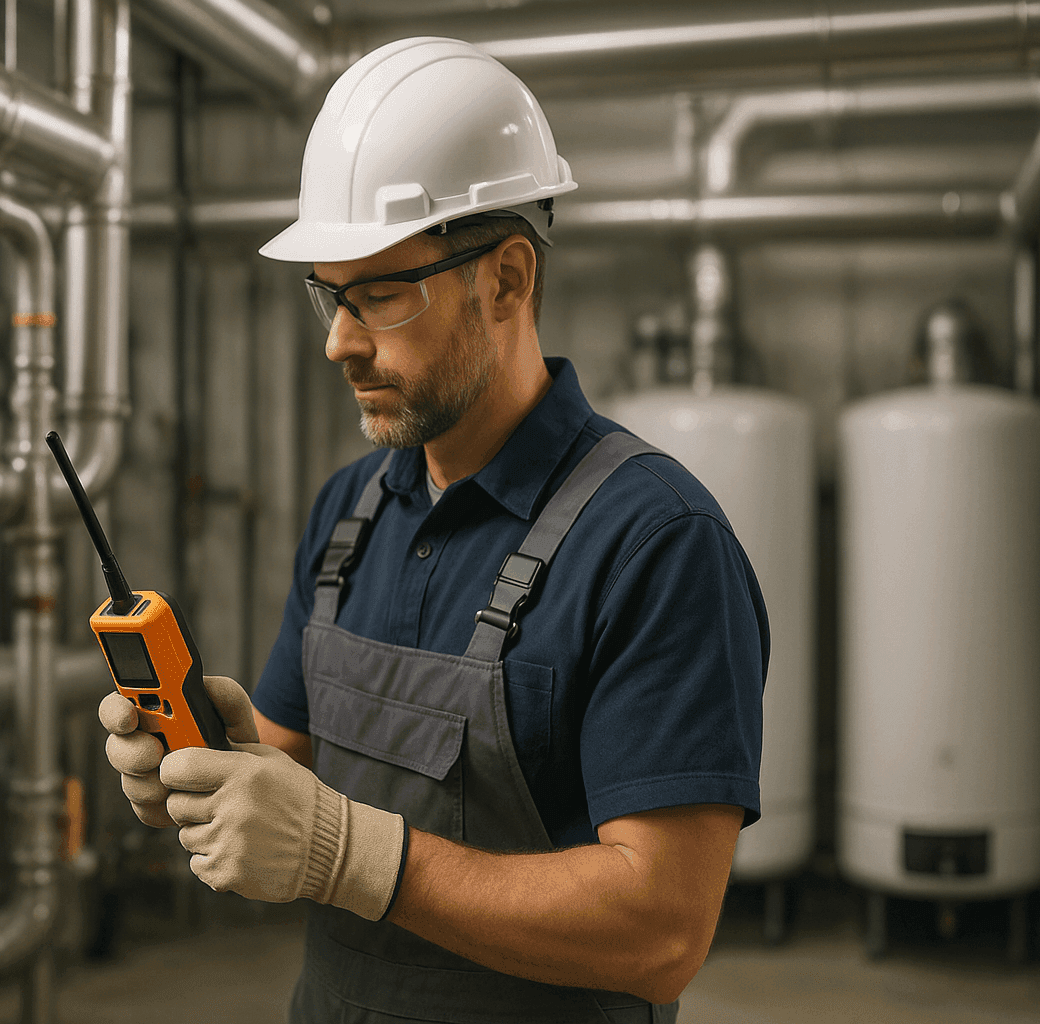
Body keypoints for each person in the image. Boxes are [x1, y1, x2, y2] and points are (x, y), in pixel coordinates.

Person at [99, 37, 767, 1023]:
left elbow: (661, 932)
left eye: (380, 294)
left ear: (505, 281)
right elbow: (294, 771)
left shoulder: (655, 544)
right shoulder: (347, 515)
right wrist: (216, 765)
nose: (339, 341)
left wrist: (351, 854)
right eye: (330, 293)